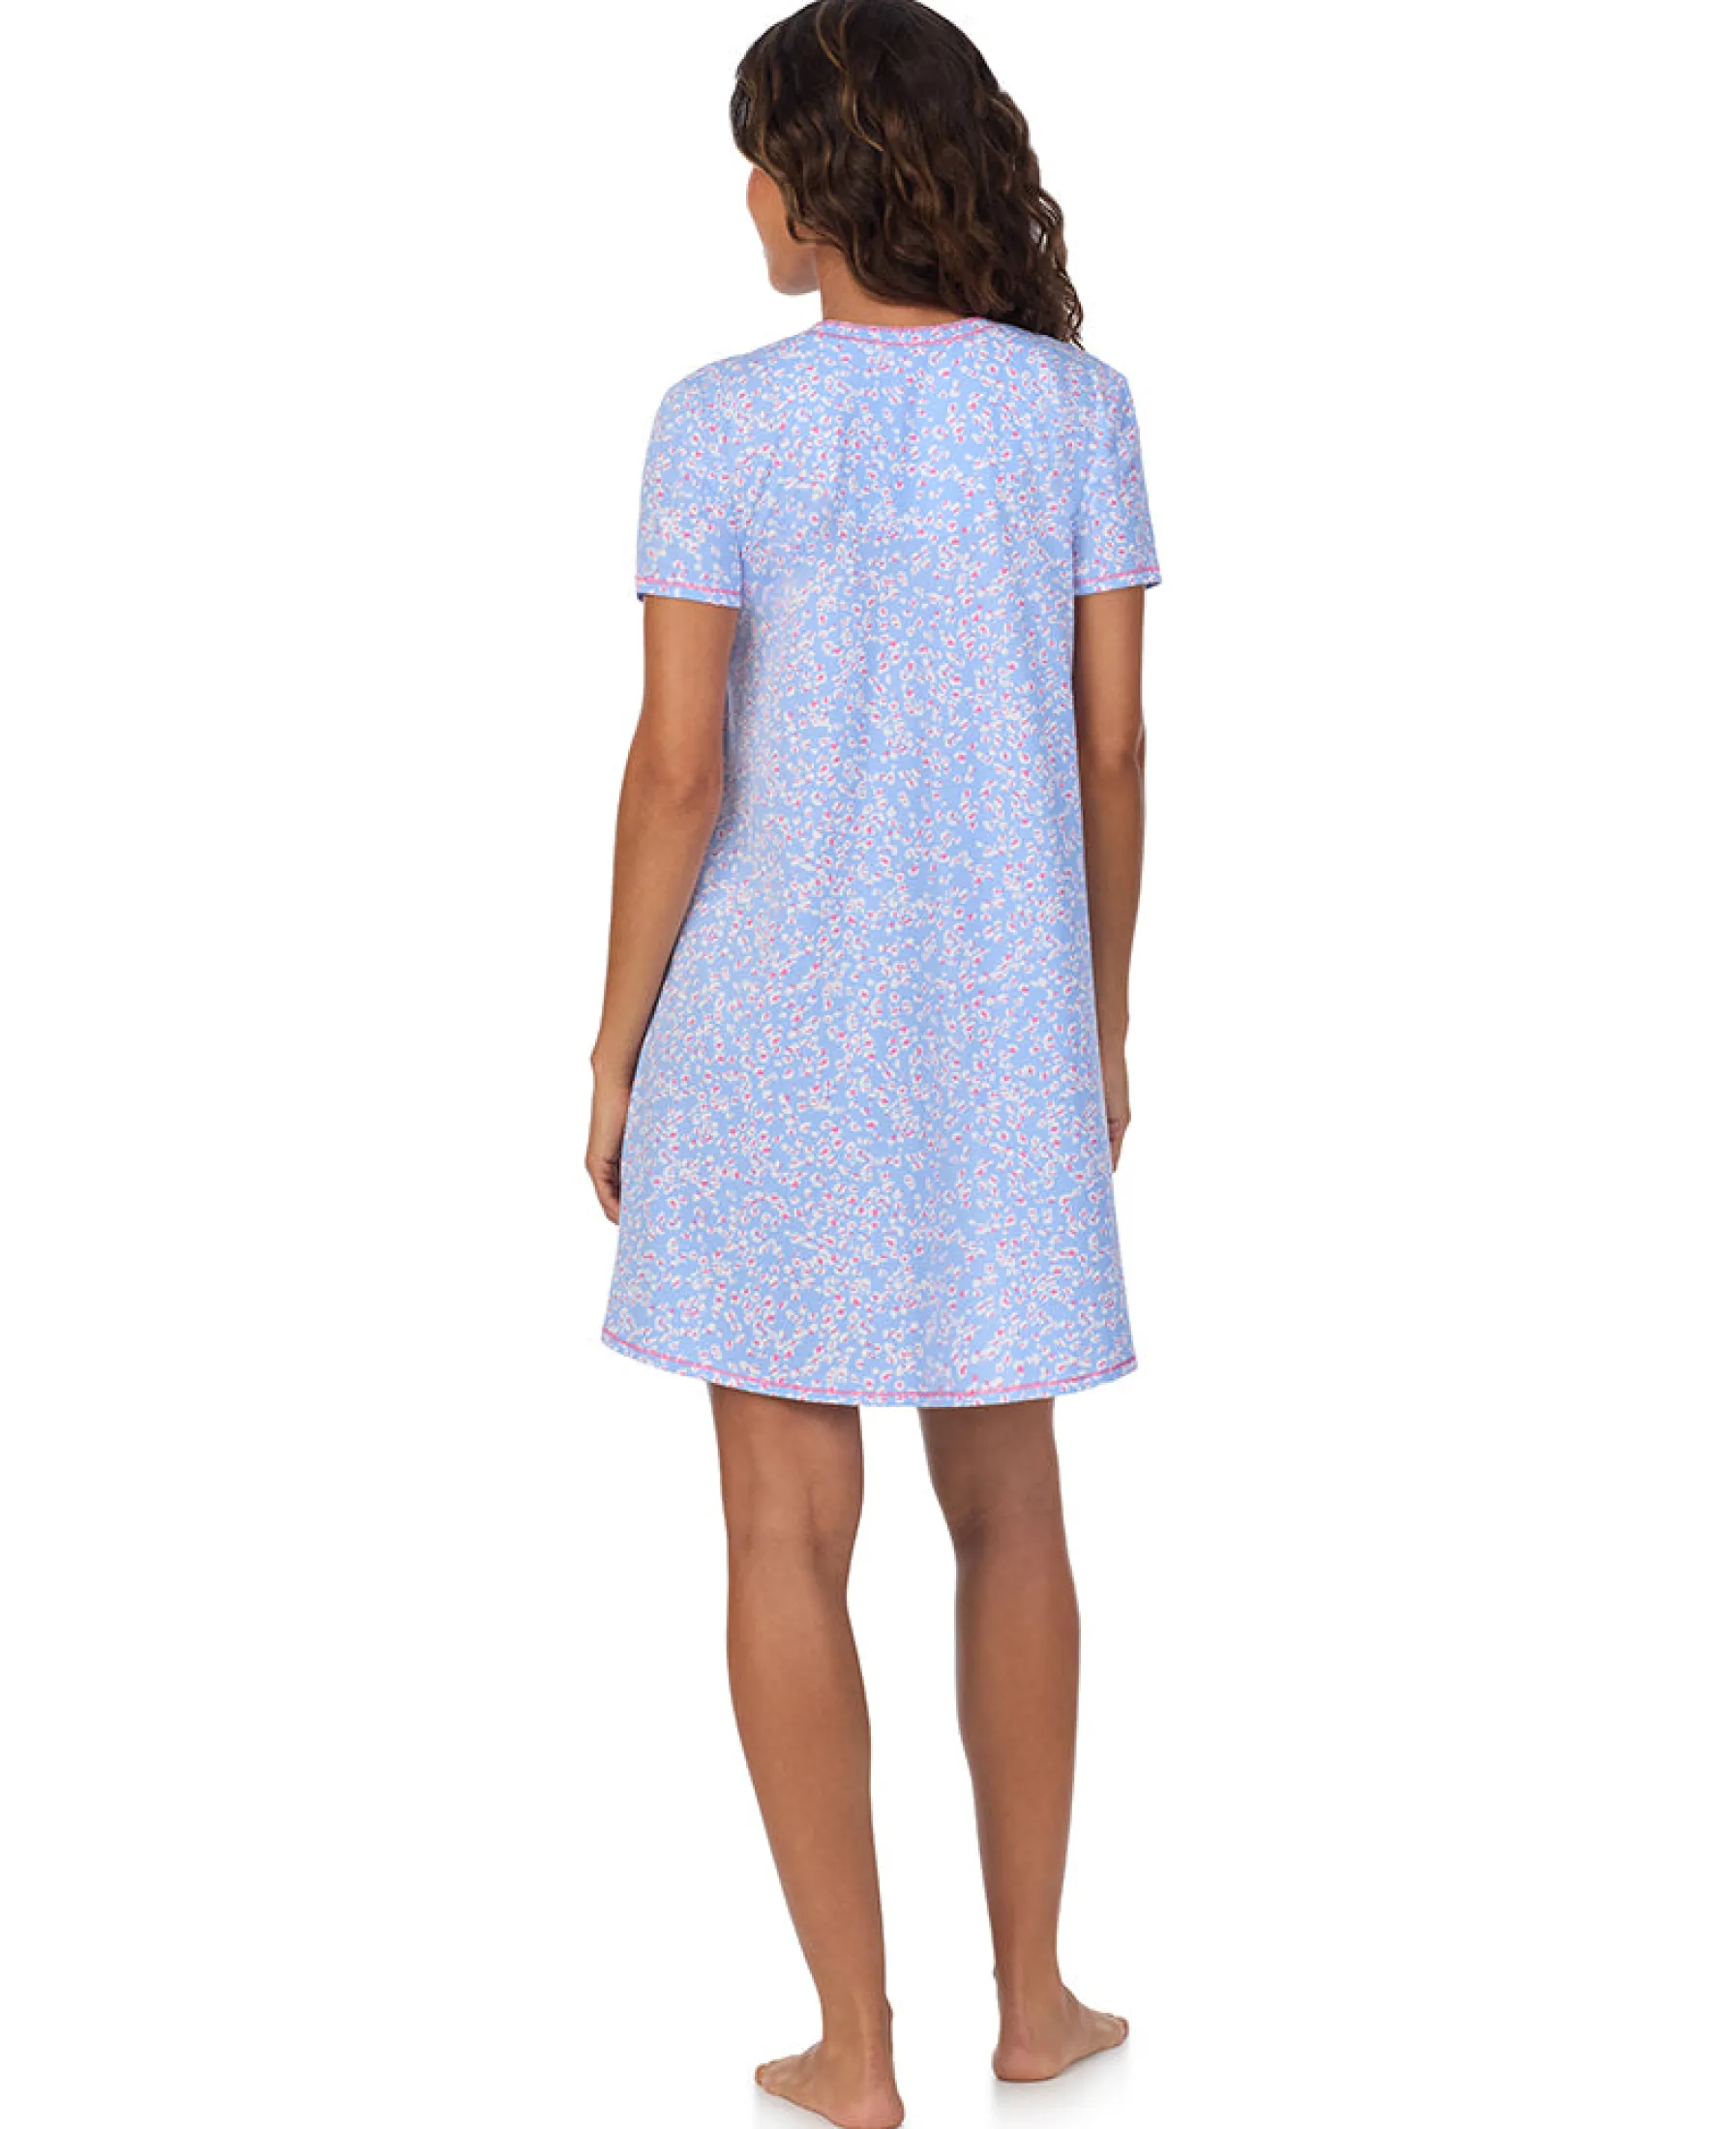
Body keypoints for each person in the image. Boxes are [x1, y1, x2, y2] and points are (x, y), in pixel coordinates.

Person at [584, 4, 1159, 2121]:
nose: (746, 197)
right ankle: (1035, 2002)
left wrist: (614, 1043)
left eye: (759, 159)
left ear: (817, 186)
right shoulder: (1074, 410)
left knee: (780, 1531)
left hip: (759, 1035)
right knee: (1010, 1509)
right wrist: (1099, 1013)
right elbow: (1113, 745)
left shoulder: (715, 424)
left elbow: (677, 767)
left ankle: (854, 2043)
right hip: (999, 1036)